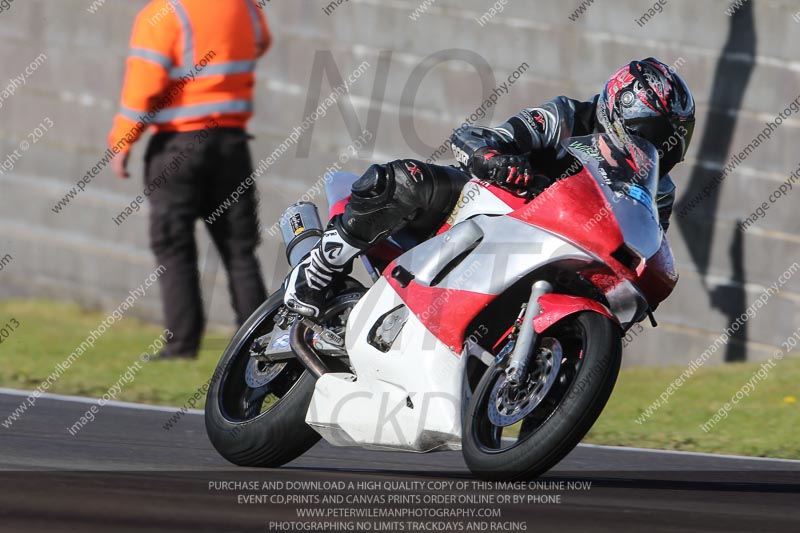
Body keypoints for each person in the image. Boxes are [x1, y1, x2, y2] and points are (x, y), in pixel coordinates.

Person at [285, 58, 696, 318]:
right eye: (654, 133)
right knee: (405, 180)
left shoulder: (658, 192)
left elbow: (643, 247)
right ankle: (319, 266)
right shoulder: (568, 118)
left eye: (670, 141)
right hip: (488, 208)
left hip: (558, 255)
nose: (658, 148)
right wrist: (495, 159)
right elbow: (486, 136)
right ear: (618, 111)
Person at [109, 0, 272, 359]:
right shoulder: (243, 7)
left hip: (179, 144)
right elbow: (262, 41)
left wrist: (123, 140)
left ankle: (181, 347)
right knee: (239, 249)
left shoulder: (163, 14)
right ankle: (261, 345)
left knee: (174, 245)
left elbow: (144, 83)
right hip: (231, 143)